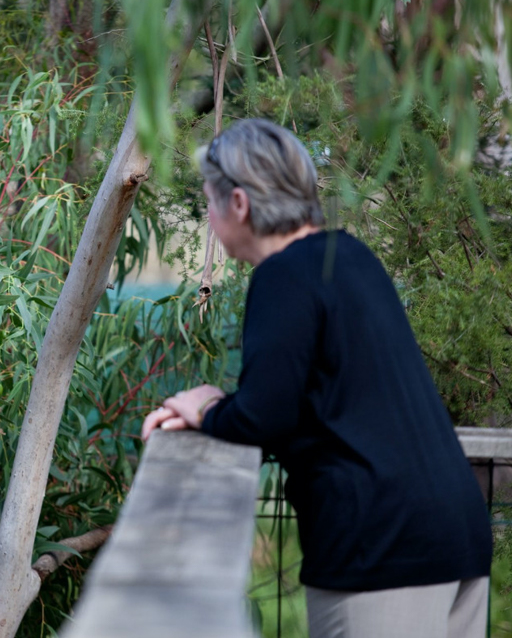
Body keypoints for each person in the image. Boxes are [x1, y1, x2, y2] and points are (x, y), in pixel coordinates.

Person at [141, 118, 493, 638]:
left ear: (239, 204)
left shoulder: (284, 274)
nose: (209, 216)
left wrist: (207, 409)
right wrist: (224, 403)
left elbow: (264, 417)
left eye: (209, 202)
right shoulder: (348, 256)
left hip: (380, 551)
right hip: (456, 533)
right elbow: (308, 399)